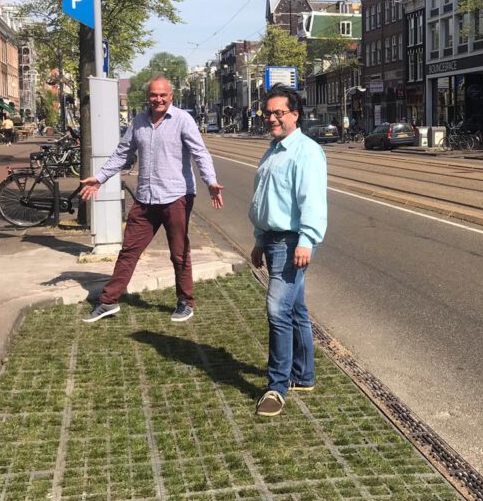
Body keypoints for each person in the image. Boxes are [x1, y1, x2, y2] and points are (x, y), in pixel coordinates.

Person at [79, 76, 224, 323]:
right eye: (154, 95)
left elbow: (200, 153)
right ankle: (109, 301)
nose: (158, 99)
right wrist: (100, 178)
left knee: (179, 252)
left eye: (163, 95)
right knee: (128, 251)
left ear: (171, 96)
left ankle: (185, 302)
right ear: (148, 97)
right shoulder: (139, 121)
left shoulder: (182, 120)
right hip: (145, 198)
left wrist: (210, 181)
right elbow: (122, 153)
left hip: (176, 196)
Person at [249, 85, 327, 417]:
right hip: (271, 240)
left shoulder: (305, 151)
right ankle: (304, 376)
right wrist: (257, 239)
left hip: (290, 242)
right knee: (295, 311)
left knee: (277, 312)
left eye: (278, 113)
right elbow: (265, 199)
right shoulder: (274, 150)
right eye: (268, 113)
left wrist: (307, 240)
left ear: (295, 114)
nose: (271, 118)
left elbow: (311, 199)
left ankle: (277, 386)